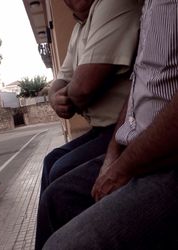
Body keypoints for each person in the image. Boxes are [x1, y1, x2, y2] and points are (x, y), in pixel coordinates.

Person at [39, 0, 178, 249]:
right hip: (129, 139)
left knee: (62, 240)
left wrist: (123, 166)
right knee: (55, 187)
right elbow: (138, 87)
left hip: (163, 153)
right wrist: (113, 155)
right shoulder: (151, 6)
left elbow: (82, 87)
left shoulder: (116, 4)